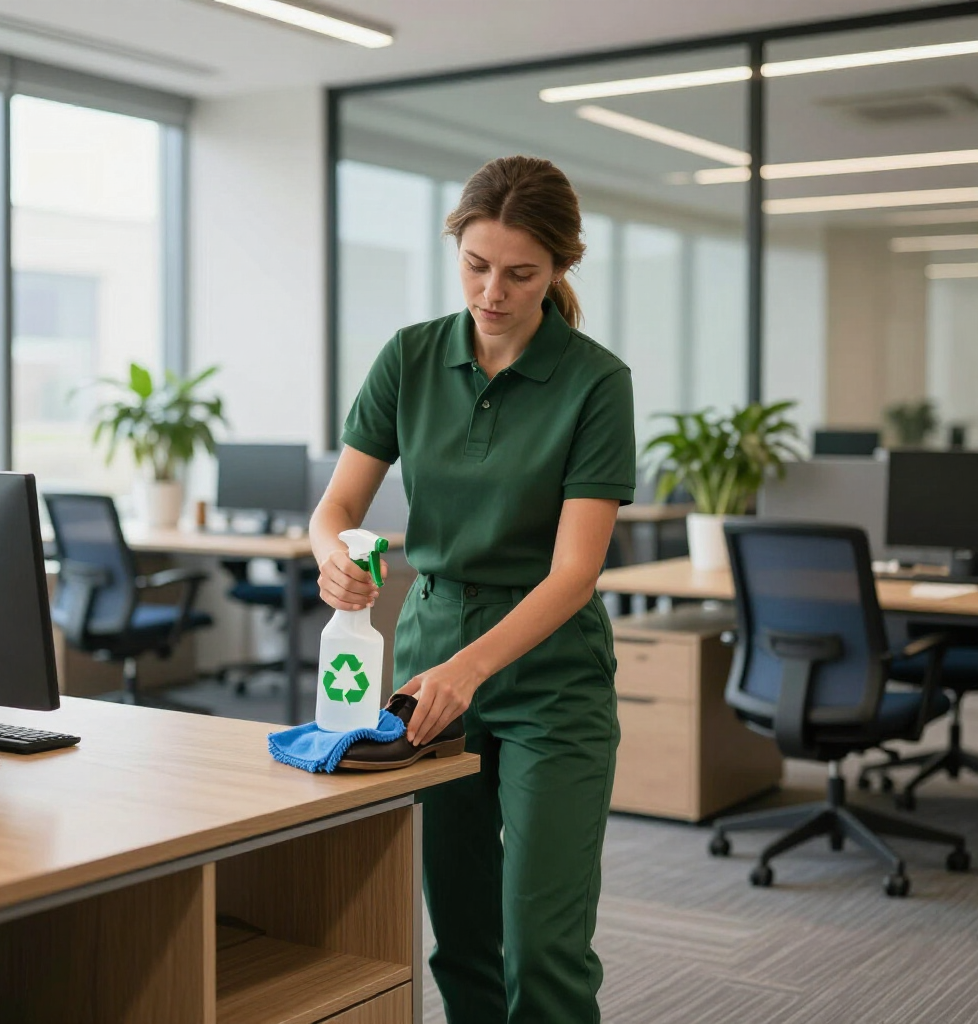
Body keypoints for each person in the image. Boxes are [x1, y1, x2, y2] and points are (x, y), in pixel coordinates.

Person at [310, 155, 635, 1024]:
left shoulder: (596, 383)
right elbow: (339, 502)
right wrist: (329, 554)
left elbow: (575, 572)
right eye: (477, 266)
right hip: (426, 658)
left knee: (543, 939)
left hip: (546, 672)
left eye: (521, 273)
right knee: (458, 934)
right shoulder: (411, 356)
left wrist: (471, 670)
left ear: (560, 268)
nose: (493, 292)